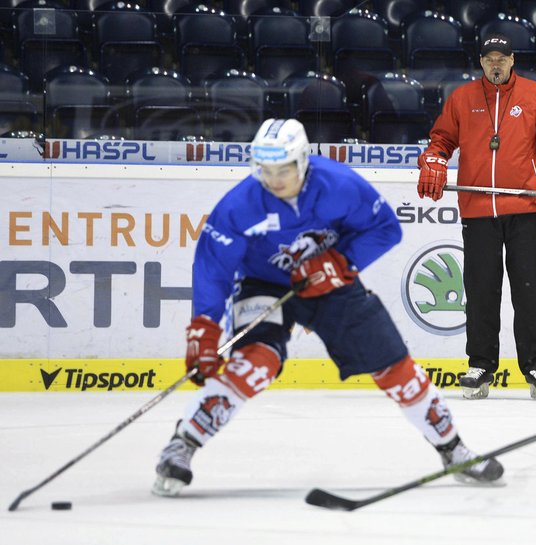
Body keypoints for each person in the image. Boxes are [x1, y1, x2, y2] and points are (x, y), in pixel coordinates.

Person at [152, 119, 503, 496]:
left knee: (394, 365)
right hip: (264, 285)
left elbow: (386, 228)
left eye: (283, 169)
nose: (274, 179)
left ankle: (453, 449)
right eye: (266, 170)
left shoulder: (340, 185)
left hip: (331, 280)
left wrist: (341, 261)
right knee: (254, 363)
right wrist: (204, 329)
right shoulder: (238, 206)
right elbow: (212, 268)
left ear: (302, 161)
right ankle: (182, 445)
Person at [416, 33, 536, 401]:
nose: (495, 64)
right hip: (477, 211)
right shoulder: (462, 99)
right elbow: (440, 141)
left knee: (529, 291)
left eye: (501, 58)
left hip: (524, 210)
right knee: (480, 291)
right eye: (489, 58)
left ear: (512, 61)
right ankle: (480, 365)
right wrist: (432, 161)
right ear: (480, 62)